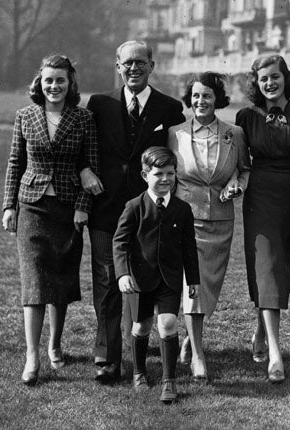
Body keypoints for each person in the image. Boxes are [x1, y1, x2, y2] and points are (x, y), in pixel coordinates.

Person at [80, 40, 185, 383]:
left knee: (152, 280)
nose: (134, 68)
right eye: (128, 63)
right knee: (107, 282)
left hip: (150, 213)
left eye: (141, 62)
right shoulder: (99, 104)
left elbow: (174, 159)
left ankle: (144, 346)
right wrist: (84, 169)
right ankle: (108, 357)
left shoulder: (169, 108)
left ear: (152, 66)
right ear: (118, 66)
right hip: (106, 209)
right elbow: (84, 145)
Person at [2, 54, 99, 386]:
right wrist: (8, 206)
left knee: (60, 279)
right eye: (48, 80)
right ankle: (32, 356)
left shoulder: (83, 118)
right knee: (34, 282)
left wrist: (84, 206)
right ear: (39, 83)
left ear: (70, 83)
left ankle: (55, 345)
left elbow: (91, 164)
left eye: (60, 80)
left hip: (69, 211)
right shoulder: (25, 116)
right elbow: (15, 161)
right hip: (32, 207)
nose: (54, 86)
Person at [236, 55, 290, 383]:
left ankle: (260, 330)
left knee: (277, 269)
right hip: (259, 199)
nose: (269, 83)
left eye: (275, 76)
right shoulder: (246, 116)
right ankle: (274, 351)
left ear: (285, 77)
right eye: (263, 79)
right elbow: (239, 161)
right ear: (256, 84)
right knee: (266, 267)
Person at [168, 72, 251, 381]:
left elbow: (244, 170)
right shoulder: (175, 133)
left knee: (209, 288)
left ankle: (190, 339)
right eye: (196, 96)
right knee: (193, 285)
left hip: (220, 219)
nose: (200, 101)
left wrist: (236, 185)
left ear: (218, 100)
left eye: (207, 96)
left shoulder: (235, 133)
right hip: (184, 218)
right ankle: (198, 356)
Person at [113, 146, 200, 403]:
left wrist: (192, 279)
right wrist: (122, 274)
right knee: (142, 326)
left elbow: (189, 248)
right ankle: (139, 373)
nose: (165, 179)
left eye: (170, 174)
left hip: (170, 279)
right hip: (140, 279)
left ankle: (168, 380)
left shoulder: (183, 209)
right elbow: (120, 243)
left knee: (169, 323)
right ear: (145, 175)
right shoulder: (134, 207)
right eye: (159, 174)